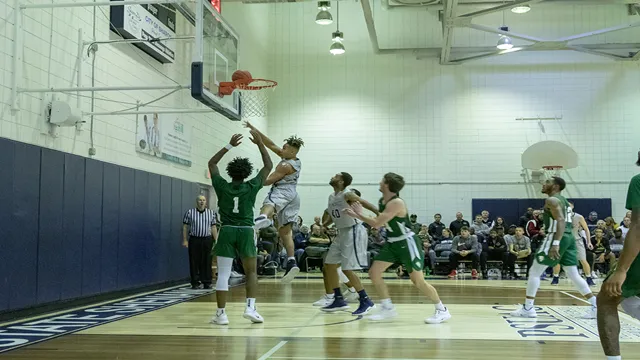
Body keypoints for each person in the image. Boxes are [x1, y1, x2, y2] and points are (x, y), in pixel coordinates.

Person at [345, 172, 451, 324]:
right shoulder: (384, 200)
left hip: (407, 244)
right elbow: (380, 215)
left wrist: (359, 214)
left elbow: (376, 223)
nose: (380, 182)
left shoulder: (397, 203)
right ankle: (387, 307)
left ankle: (442, 310)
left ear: (387, 185)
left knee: (418, 281)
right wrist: (359, 201)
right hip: (393, 243)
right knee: (374, 272)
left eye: (382, 180)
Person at [208, 131, 273, 325]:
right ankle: (250, 308)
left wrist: (229, 146)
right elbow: (269, 165)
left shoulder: (221, 185)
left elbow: (212, 164)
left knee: (224, 273)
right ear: (246, 173)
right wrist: (260, 143)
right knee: (251, 272)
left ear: (230, 172)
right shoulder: (252, 185)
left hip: (226, 230)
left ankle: (221, 314)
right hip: (245, 230)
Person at [511, 176, 597, 319]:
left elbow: (561, 220)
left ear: (556, 186)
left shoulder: (552, 200)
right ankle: (595, 306)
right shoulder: (564, 201)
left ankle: (528, 308)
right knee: (573, 274)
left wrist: (555, 243)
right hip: (569, 237)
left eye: (548, 182)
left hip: (556, 236)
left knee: (534, 272)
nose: (544, 184)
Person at [243, 121, 304, 283]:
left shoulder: (285, 165)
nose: (281, 149)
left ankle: (263, 217)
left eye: (284, 148)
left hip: (283, 191)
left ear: (291, 150)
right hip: (294, 197)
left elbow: (268, 181)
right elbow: (270, 144)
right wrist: (254, 130)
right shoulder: (293, 158)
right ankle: (291, 261)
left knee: (268, 202)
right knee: (285, 232)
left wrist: (254, 182)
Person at [597, 152, 640, 360]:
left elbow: (639, 226)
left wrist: (622, 270)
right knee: (629, 299)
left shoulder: (638, 181)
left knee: (607, 298)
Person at [319, 172, 376, 315]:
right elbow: (336, 215)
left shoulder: (348, 194)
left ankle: (365, 300)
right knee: (329, 264)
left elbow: (364, 203)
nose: (332, 176)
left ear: (341, 182)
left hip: (353, 231)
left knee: (346, 268)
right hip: (341, 232)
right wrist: (325, 225)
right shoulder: (332, 197)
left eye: (336, 176)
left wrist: (379, 214)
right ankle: (338, 299)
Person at [182, 195, 218, 289]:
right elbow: (185, 227)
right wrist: (185, 239)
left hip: (207, 239)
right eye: (200, 200)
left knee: (207, 260)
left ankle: (207, 282)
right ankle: (195, 282)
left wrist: (217, 239)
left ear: (206, 202)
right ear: (196, 202)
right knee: (194, 261)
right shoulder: (190, 213)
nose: (201, 202)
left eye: (203, 200)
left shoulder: (211, 213)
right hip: (194, 239)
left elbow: (213, 227)